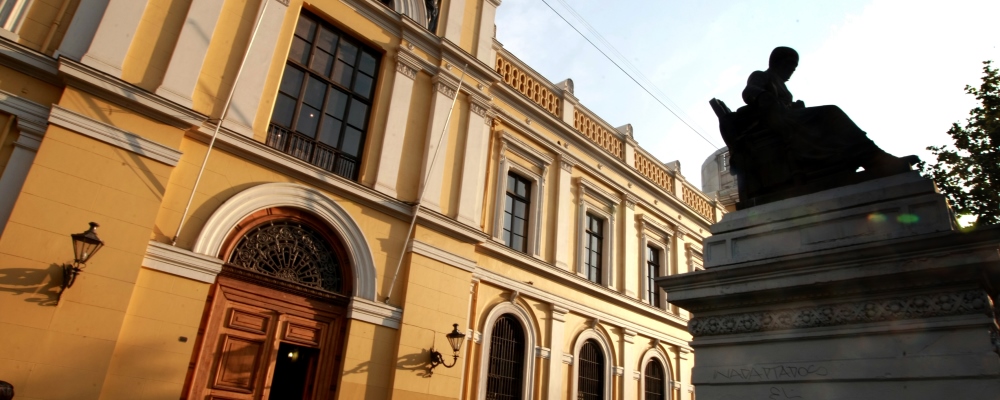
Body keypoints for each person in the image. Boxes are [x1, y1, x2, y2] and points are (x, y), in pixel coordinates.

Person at [738, 46, 914, 177]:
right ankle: (874, 157)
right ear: (777, 62)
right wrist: (765, 98)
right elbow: (749, 91)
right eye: (790, 65)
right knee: (831, 113)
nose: (792, 70)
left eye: (794, 66)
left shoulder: (781, 85)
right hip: (778, 120)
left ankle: (865, 157)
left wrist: (794, 107)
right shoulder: (761, 75)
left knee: (829, 122)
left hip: (789, 118)